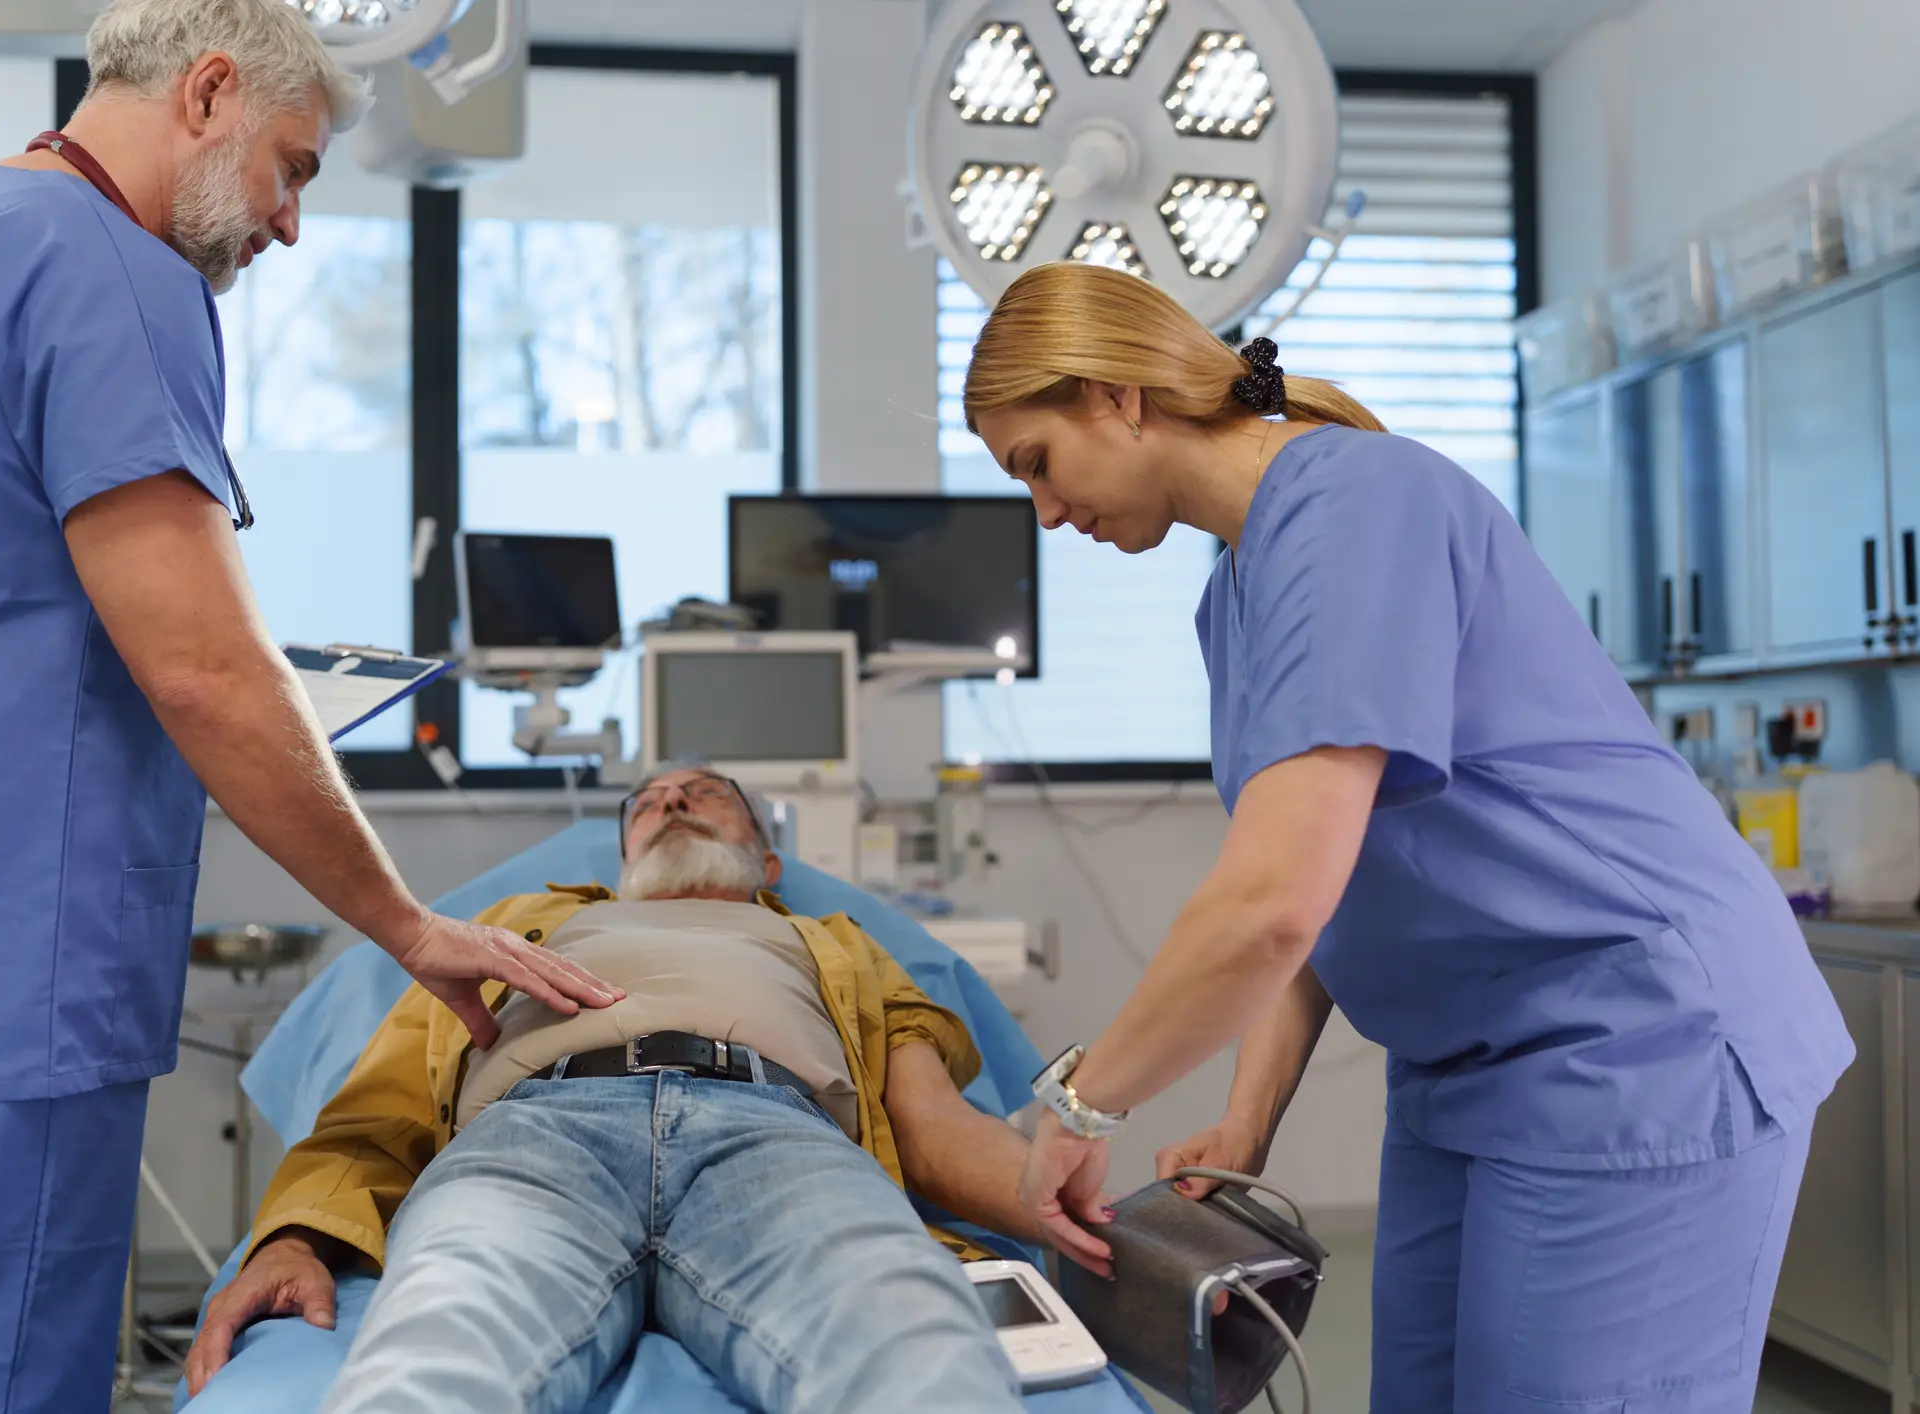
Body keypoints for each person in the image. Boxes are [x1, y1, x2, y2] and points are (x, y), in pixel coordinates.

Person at [0, 4, 616, 1411]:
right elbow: (204, 669)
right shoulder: (112, 271)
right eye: (292, 169)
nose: (291, 224)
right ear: (211, 94)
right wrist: (407, 925)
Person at [963, 262, 1855, 1411]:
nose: (1042, 511)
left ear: (1115, 395)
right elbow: (1328, 898)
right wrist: (1247, 1116)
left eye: (1035, 462)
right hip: (1467, 1073)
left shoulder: (1353, 506)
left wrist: (1077, 1108)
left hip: (1638, 1040)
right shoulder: (1233, 589)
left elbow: (1269, 902)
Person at [183, 765, 1031, 1414]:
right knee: (436, 1356)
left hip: (779, 1139)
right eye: (649, 802)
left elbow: (930, 1118)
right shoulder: (513, 926)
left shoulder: (835, 941)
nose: (672, 803)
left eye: (704, 793)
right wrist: (290, 1237)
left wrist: (1075, 1195)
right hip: (534, 1140)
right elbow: (383, 1104)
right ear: (623, 854)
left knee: (920, 1348)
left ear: (768, 859)